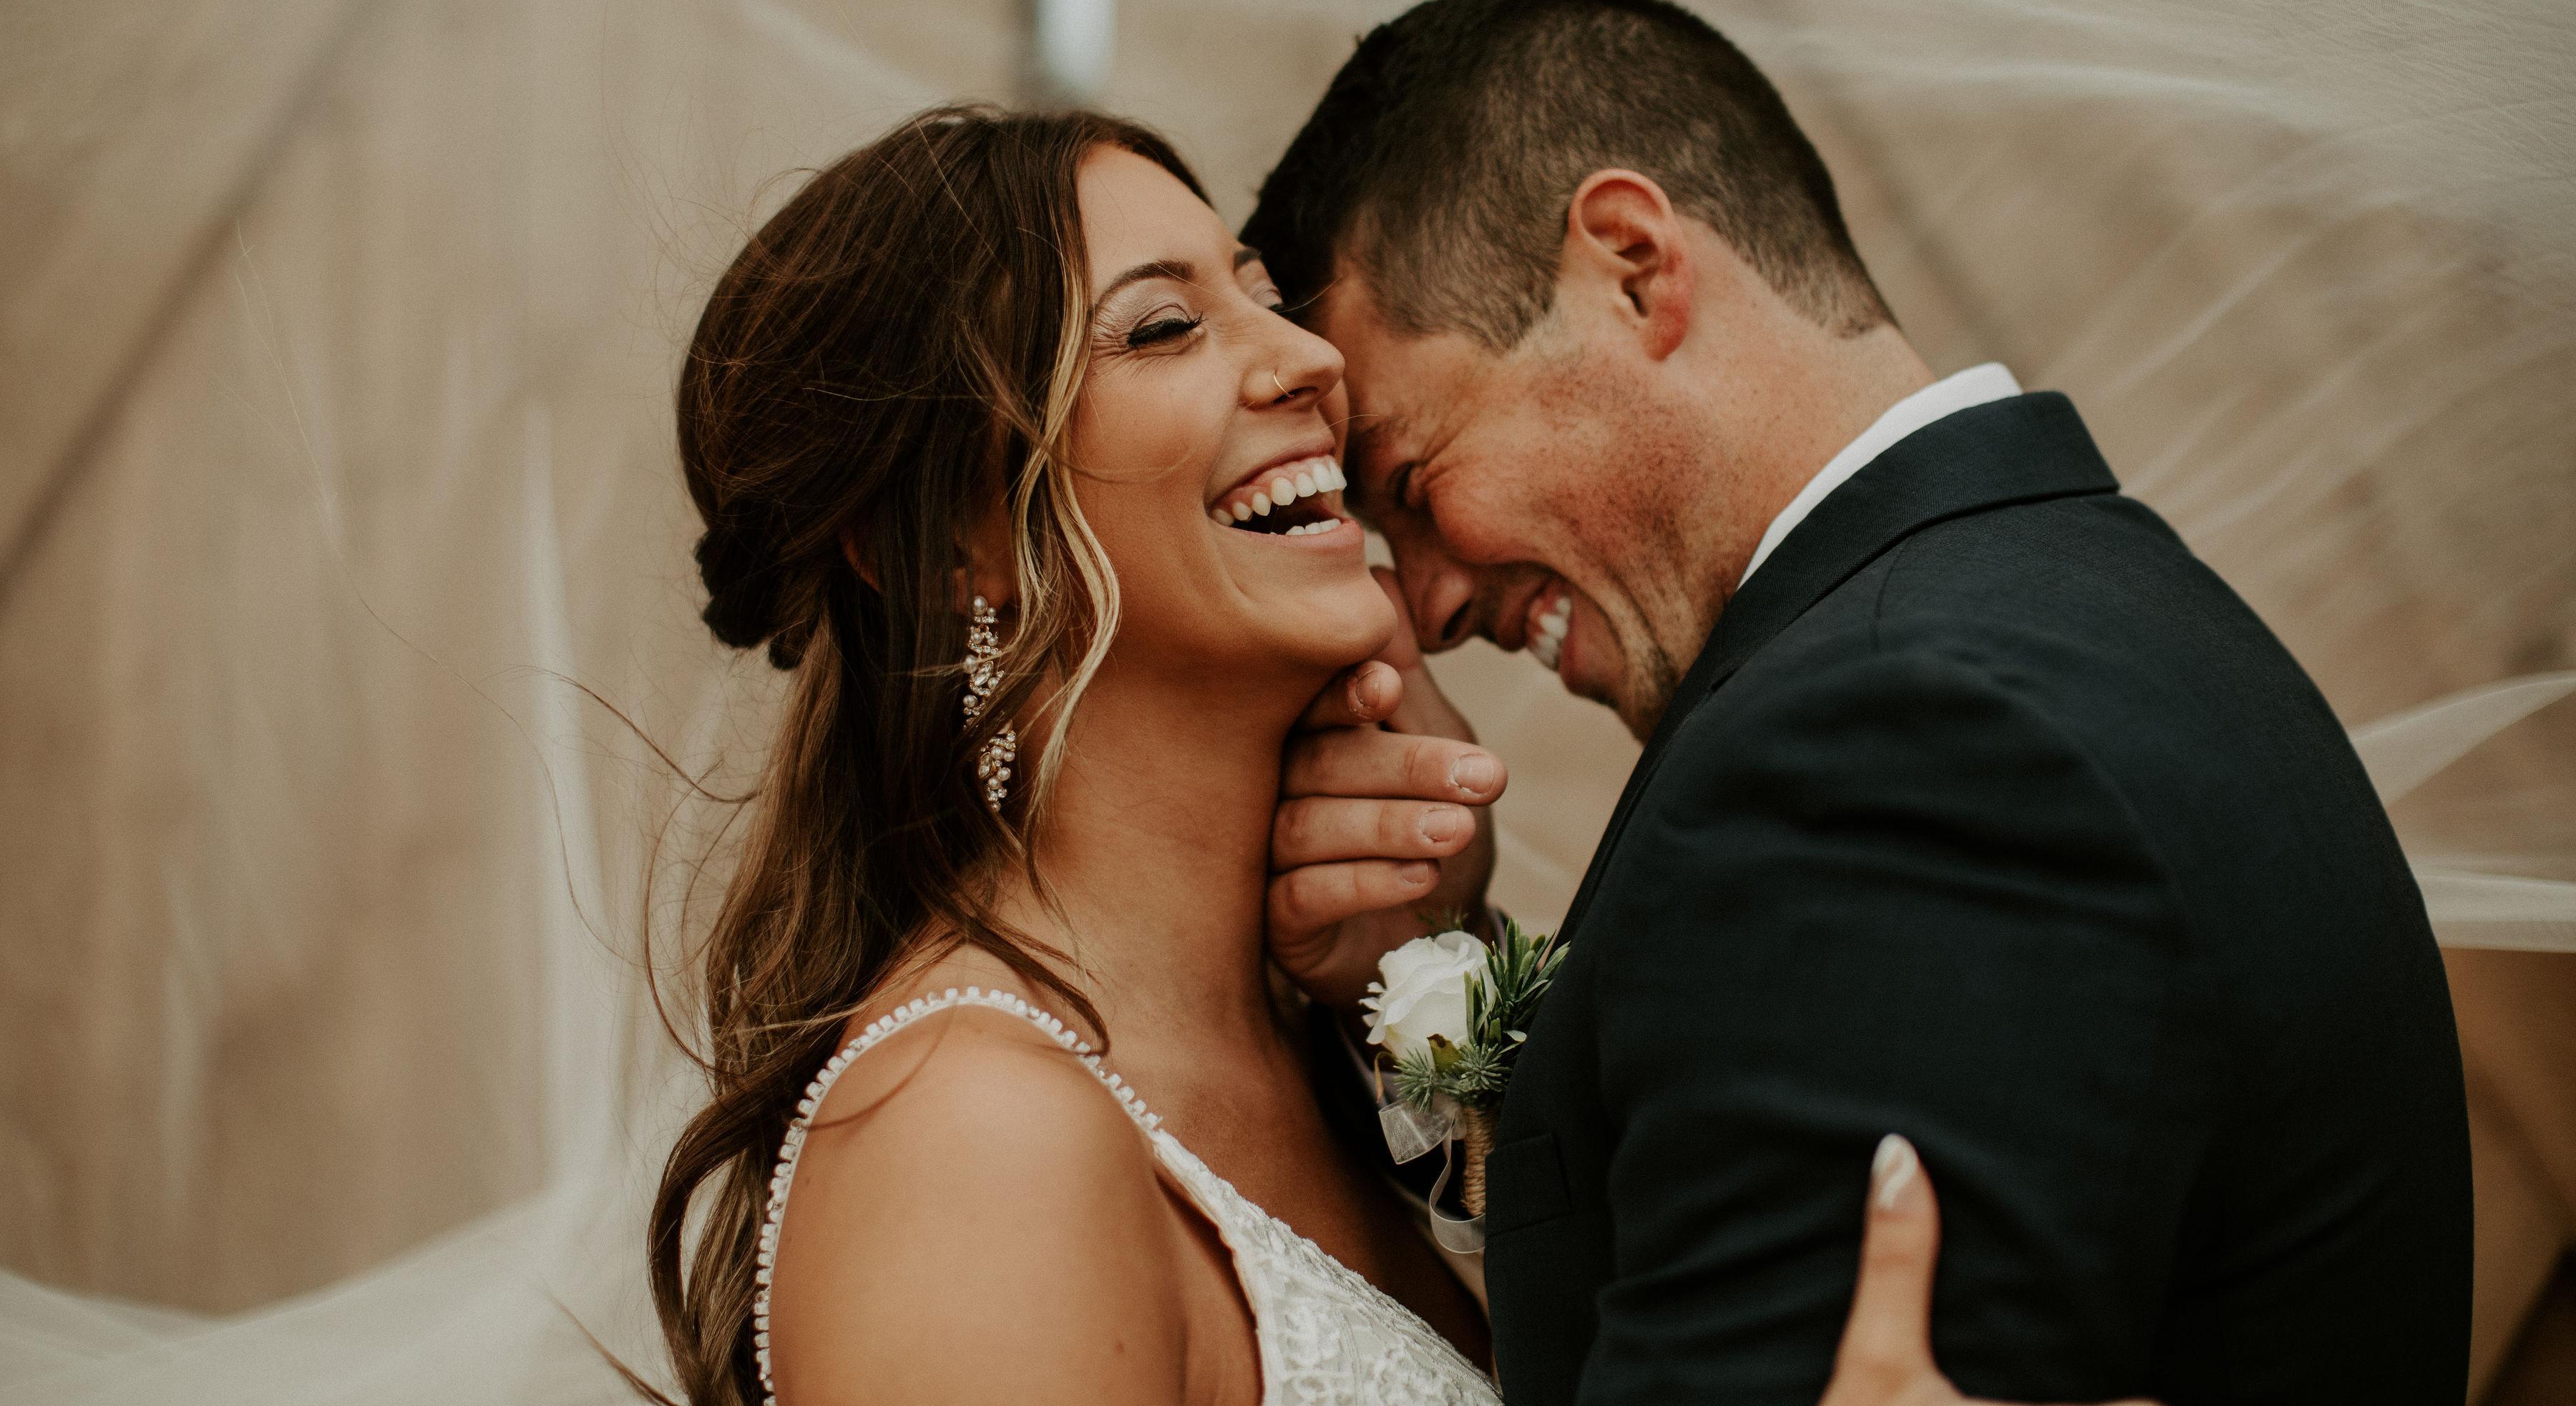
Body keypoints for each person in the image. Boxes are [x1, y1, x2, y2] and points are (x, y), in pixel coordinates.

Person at [640, 104, 2104, 1406]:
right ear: (948, 544)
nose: (1310, 361)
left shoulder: (1347, 1048)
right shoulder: (976, 1136)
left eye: (1267, 300)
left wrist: (1435, 977)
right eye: (1165, 326)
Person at [1242, 0, 2475, 1405]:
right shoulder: (2071, 608)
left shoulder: (1891, 750)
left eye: (1410, 483)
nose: (1428, 606)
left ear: (1633, 266)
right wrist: (1436, 976)